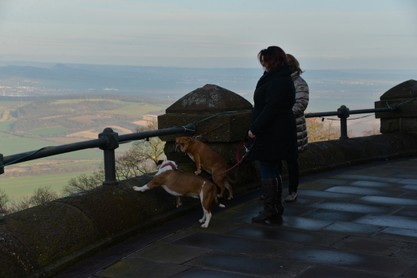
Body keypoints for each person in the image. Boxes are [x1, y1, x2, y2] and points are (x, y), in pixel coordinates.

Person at [247, 46, 297, 224]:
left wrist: (255, 128)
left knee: (268, 168)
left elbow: (271, 109)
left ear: (273, 61)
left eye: (265, 61)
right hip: (279, 130)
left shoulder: (277, 80)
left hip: (272, 132)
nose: (263, 64)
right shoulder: (282, 77)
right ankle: (275, 207)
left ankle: (270, 209)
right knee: (273, 168)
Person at [281, 53, 310, 203]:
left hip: (293, 127)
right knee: (276, 160)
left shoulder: (299, 83)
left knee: (292, 161)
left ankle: (293, 190)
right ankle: (275, 190)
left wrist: (281, 114)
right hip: (280, 127)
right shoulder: (280, 81)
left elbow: (300, 105)